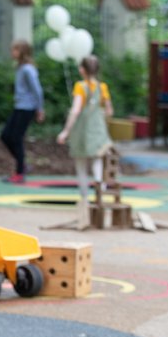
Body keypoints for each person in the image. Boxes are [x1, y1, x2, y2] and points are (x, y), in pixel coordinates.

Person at [57, 54, 114, 230]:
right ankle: (99, 195)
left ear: (83, 69)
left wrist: (66, 131)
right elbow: (109, 111)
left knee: (81, 165)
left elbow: (75, 110)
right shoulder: (102, 87)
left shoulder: (80, 87)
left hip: (82, 131)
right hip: (97, 131)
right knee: (98, 162)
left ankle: (84, 200)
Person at [0, 39, 44, 183]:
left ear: (23, 52)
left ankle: (19, 172)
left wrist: (40, 108)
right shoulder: (20, 67)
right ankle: (22, 165)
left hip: (27, 108)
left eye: (15, 50)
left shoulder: (27, 69)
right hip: (19, 107)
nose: (12, 52)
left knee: (16, 138)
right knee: (6, 135)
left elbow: (37, 90)